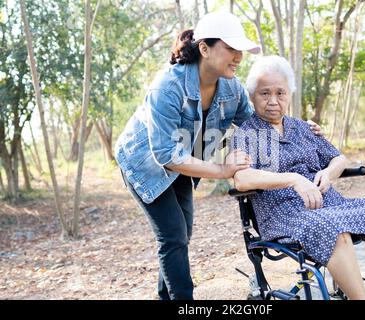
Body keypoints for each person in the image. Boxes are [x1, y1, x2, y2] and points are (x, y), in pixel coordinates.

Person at [115, 12, 322, 300]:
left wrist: (300, 127)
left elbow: (260, 123)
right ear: (204, 48)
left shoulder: (232, 89)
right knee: (173, 235)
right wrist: (224, 169)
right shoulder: (167, 86)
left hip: (186, 163)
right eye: (231, 49)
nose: (238, 57)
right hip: (146, 164)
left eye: (240, 50)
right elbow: (164, 153)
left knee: (181, 235)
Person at [229, 55, 365, 300]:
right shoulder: (246, 134)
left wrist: (328, 173)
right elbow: (242, 179)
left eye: (280, 93)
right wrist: (293, 179)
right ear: (252, 96)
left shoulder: (303, 128)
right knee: (331, 228)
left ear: (289, 95)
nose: (273, 101)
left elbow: (338, 158)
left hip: (331, 204)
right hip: (285, 214)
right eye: (265, 94)